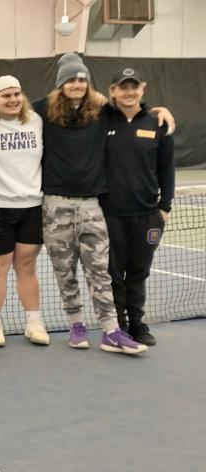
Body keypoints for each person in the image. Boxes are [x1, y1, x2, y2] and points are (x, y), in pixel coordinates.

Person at [33, 53, 147, 354]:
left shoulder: (101, 110)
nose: (77, 84)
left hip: (91, 207)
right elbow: (6, 110)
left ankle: (111, 330)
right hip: (55, 206)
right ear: (61, 84)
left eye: (82, 79)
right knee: (64, 271)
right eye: (71, 79)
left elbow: (132, 108)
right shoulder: (42, 110)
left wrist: (160, 112)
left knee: (99, 272)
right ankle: (76, 325)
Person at [101, 67, 174, 347]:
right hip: (111, 215)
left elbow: (167, 170)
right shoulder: (102, 119)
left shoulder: (157, 122)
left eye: (134, 86)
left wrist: (164, 208)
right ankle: (117, 325)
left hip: (147, 217)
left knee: (139, 273)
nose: (129, 92)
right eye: (123, 86)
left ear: (142, 88)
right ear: (113, 91)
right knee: (113, 275)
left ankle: (138, 324)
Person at [0, 76, 45, 349]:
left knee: (27, 266)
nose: (13, 99)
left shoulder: (36, 121)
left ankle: (34, 322)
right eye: (5, 95)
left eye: (16, 94)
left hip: (31, 208)